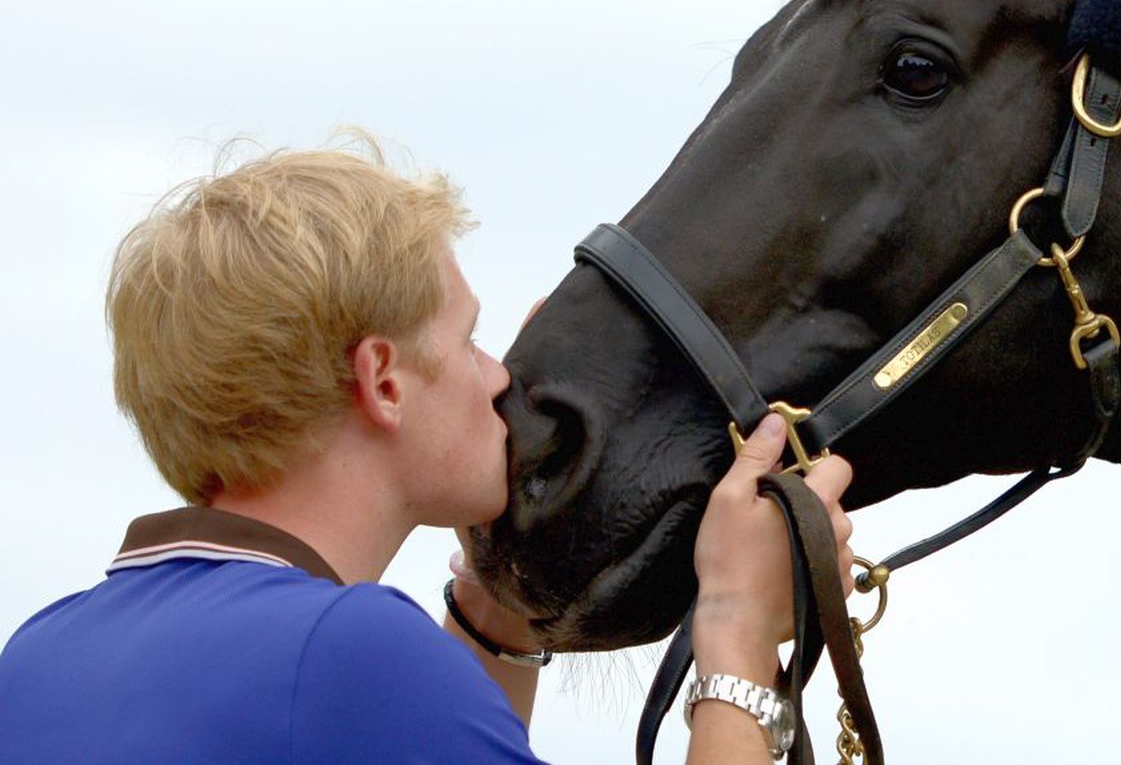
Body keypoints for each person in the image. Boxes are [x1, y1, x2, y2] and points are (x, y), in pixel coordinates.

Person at [0, 138, 854, 763]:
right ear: (383, 380)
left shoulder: (43, 653)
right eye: (469, 341)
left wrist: (496, 609)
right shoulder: (351, 653)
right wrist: (738, 632)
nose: (498, 377)